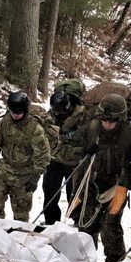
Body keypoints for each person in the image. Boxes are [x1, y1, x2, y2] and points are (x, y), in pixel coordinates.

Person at [64, 94, 131, 262]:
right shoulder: (90, 130)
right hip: (89, 185)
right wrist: (82, 151)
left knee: (110, 228)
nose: (107, 123)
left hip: (118, 186)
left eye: (112, 120)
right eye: (104, 119)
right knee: (86, 227)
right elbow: (62, 149)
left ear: (120, 119)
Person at [0, 92, 50, 222]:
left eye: (19, 112)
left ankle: (17, 238)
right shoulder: (5, 123)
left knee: (21, 214)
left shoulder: (35, 129)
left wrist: (35, 177)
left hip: (24, 174)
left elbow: (43, 155)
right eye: (13, 112)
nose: (16, 115)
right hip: (4, 169)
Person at [40, 86, 86, 225]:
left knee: (75, 193)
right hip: (55, 159)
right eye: (55, 111)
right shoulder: (51, 115)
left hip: (74, 160)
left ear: (68, 106)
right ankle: (51, 220)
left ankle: (78, 220)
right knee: (50, 191)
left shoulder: (81, 116)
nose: (58, 114)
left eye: (60, 111)